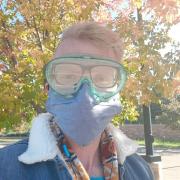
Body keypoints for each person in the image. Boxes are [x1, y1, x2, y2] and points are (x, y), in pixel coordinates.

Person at [0, 22, 154, 180]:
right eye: (67, 76)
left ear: (117, 90)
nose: (85, 96)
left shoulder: (140, 170)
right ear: (49, 88)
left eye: (102, 78)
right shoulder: (5, 168)